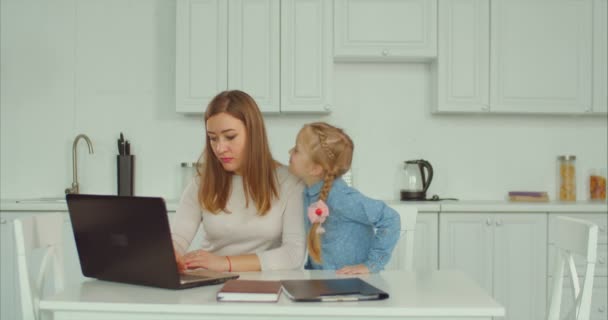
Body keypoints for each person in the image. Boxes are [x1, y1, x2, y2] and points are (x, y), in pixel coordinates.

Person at [171, 90, 305, 272]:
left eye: (230, 137)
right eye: (212, 138)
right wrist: (172, 255)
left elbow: (293, 255)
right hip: (209, 283)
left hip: (266, 288)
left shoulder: (289, 182)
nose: (219, 148)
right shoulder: (201, 183)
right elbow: (177, 238)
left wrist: (225, 263)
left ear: (253, 133)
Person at [288, 122, 401, 274]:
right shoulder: (307, 192)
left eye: (296, 150)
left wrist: (371, 265)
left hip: (355, 285)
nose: (290, 151)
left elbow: (390, 218)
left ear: (315, 169)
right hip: (325, 283)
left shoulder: (342, 198)